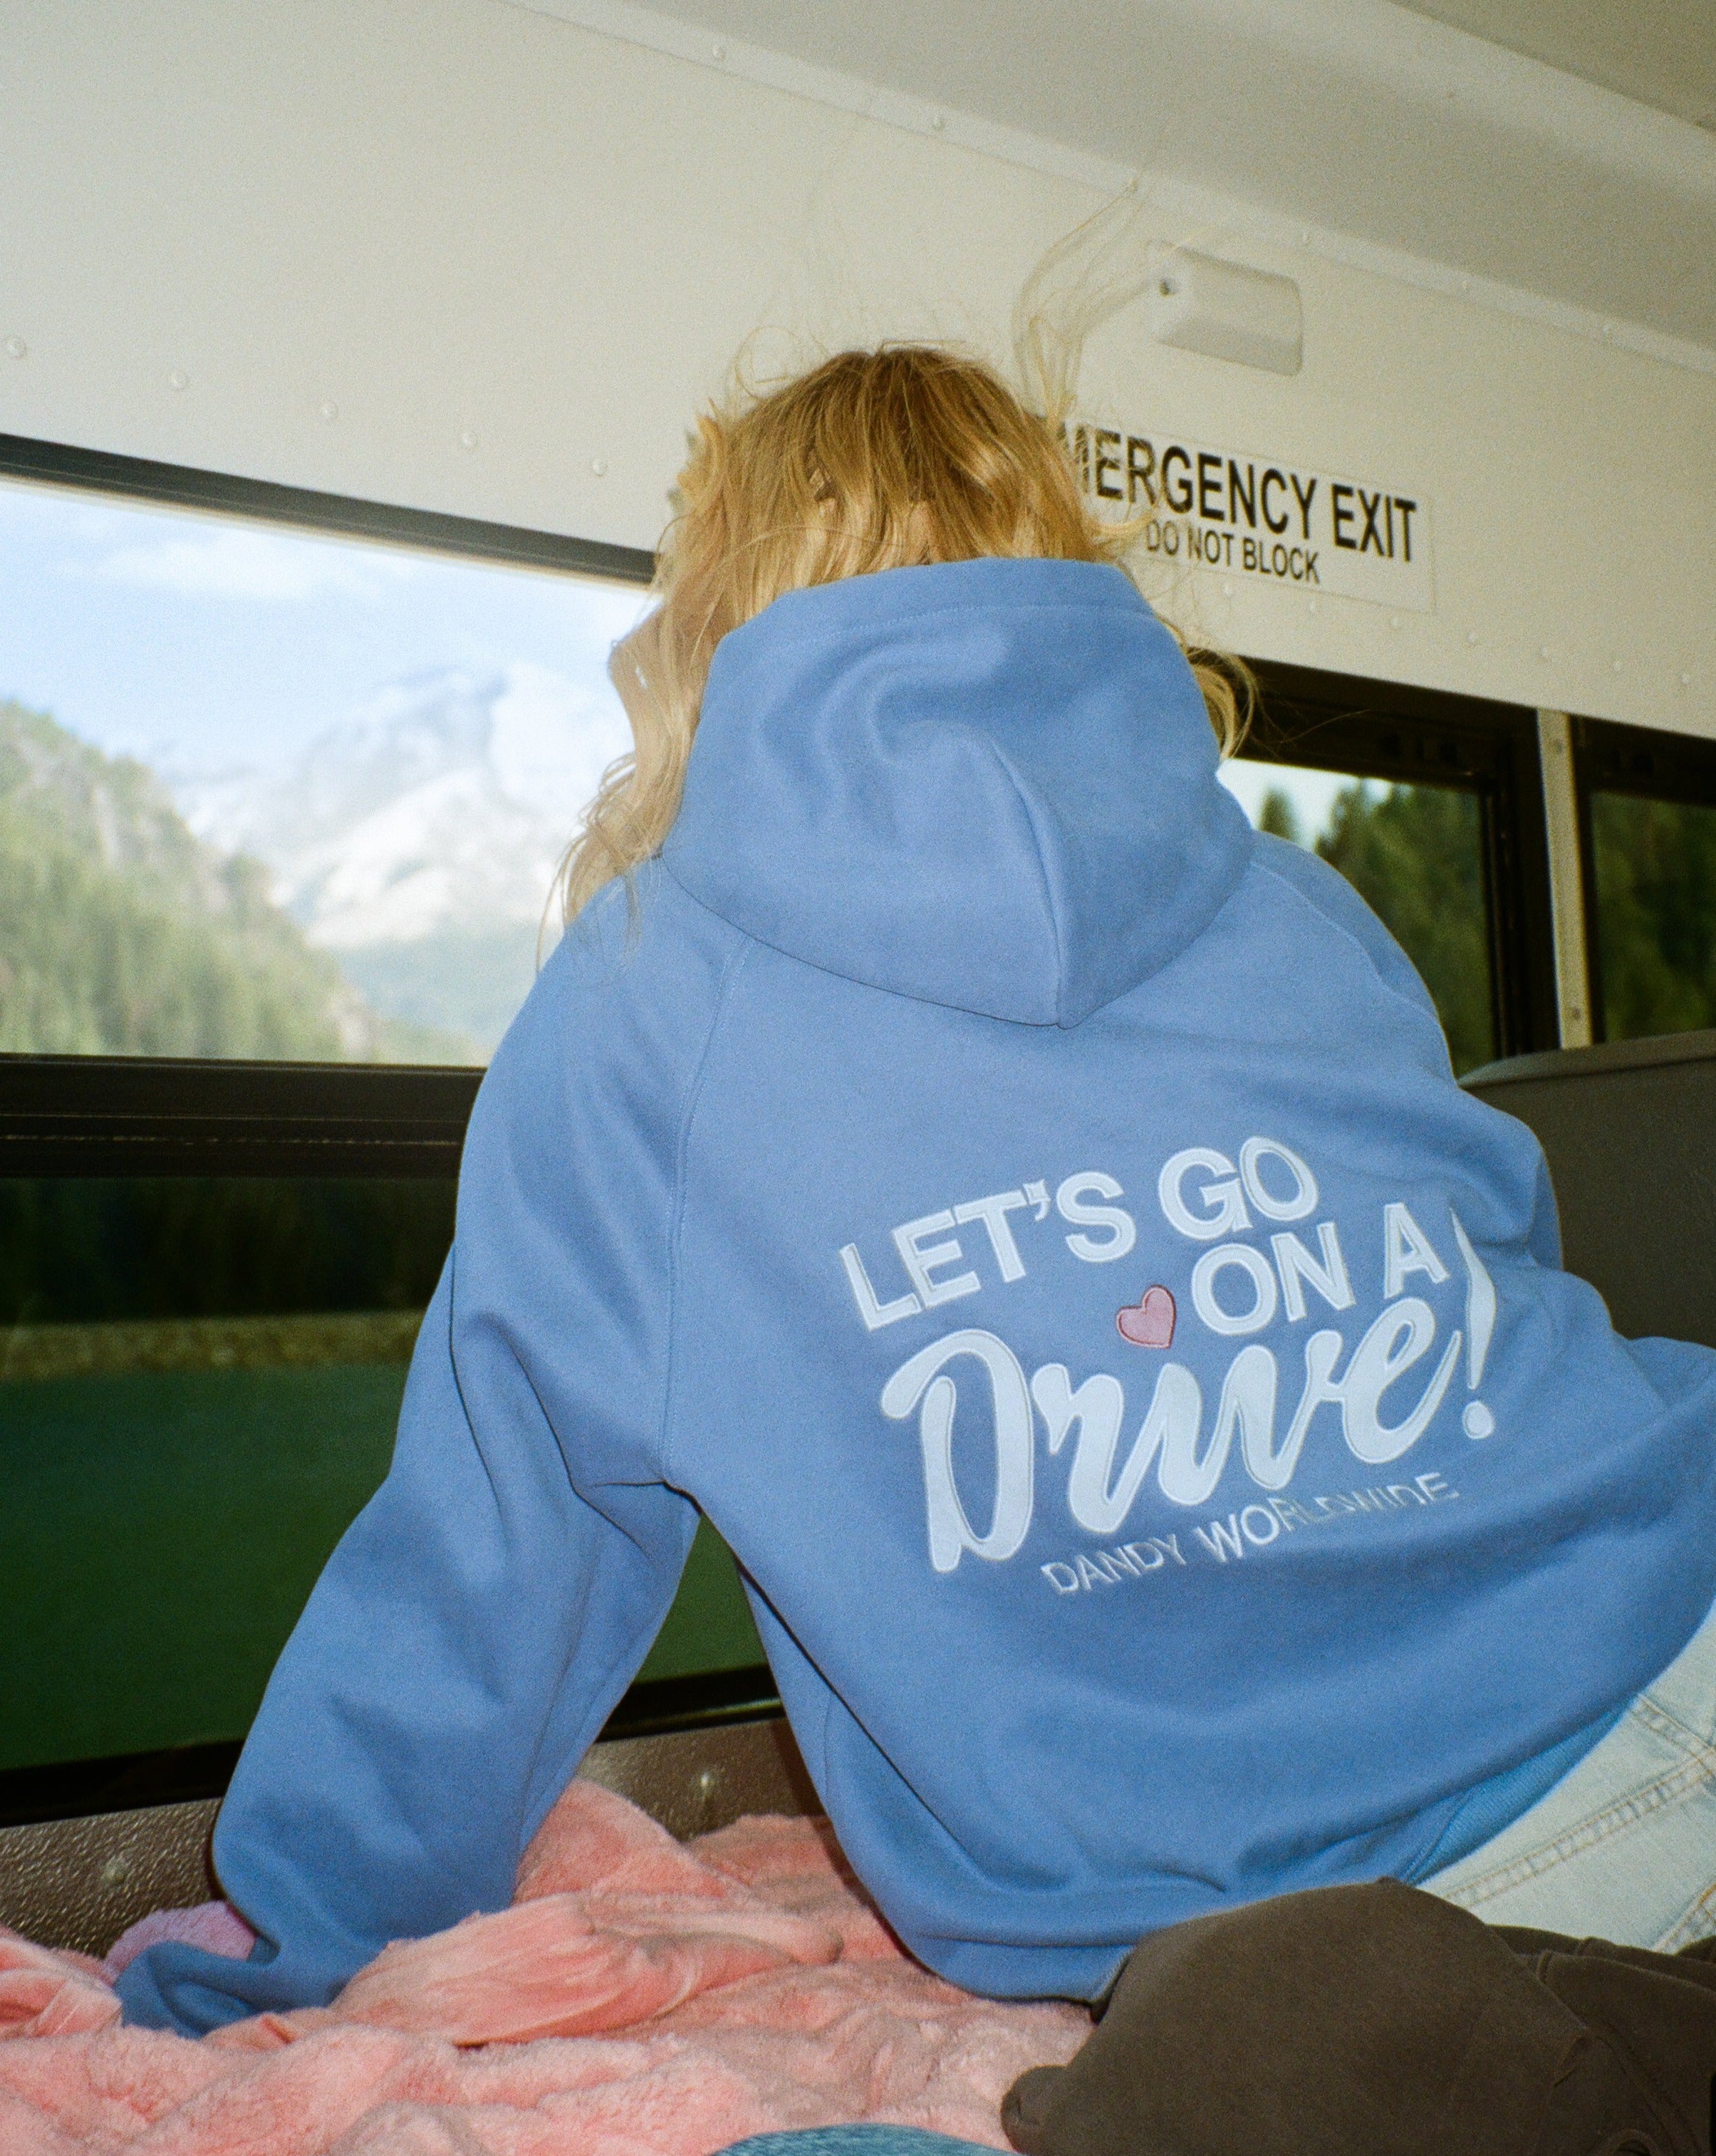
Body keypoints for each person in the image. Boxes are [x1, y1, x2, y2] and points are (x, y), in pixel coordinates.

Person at [120, 345, 1716, 2036]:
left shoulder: (643, 1005)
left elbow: (494, 1562)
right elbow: (1493, 1258)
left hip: (1417, 1883)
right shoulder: (1290, 899)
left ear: (717, 610)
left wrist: (291, 1957)